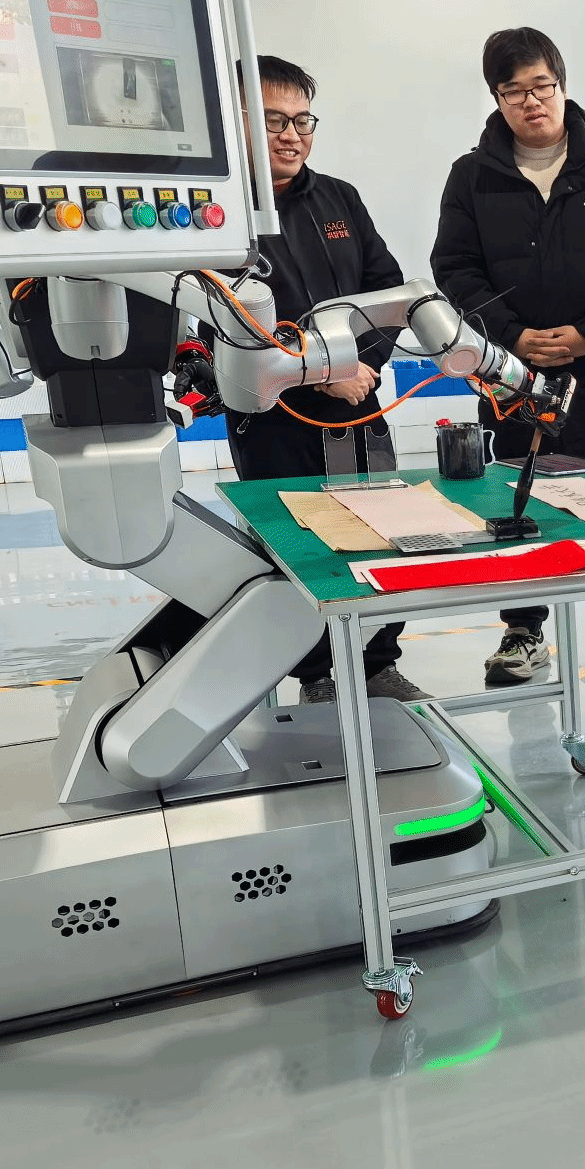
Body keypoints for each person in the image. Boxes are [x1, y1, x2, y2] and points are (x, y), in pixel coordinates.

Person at [433, 27, 585, 686]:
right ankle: (522, 629)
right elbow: (454, 267)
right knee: (517, 497)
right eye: (512, 90)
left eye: (541, 85)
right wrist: (512, 335)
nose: (530, 101)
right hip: (514, 375)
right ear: (497, 98)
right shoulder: (472, 177)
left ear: (562, 86)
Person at [223, 55, 424, 707]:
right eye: (273, 121)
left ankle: (377, 662)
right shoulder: (223, 216)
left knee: (382, 535)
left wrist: (362, 366)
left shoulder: (339, 198)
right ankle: (315, 674)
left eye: (302, 120)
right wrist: (325, 371)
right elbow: (228, 322)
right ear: (235, 122)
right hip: (275, 418)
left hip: (360, 403)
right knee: (297, 547)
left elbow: (387, 291)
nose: (291, 135)